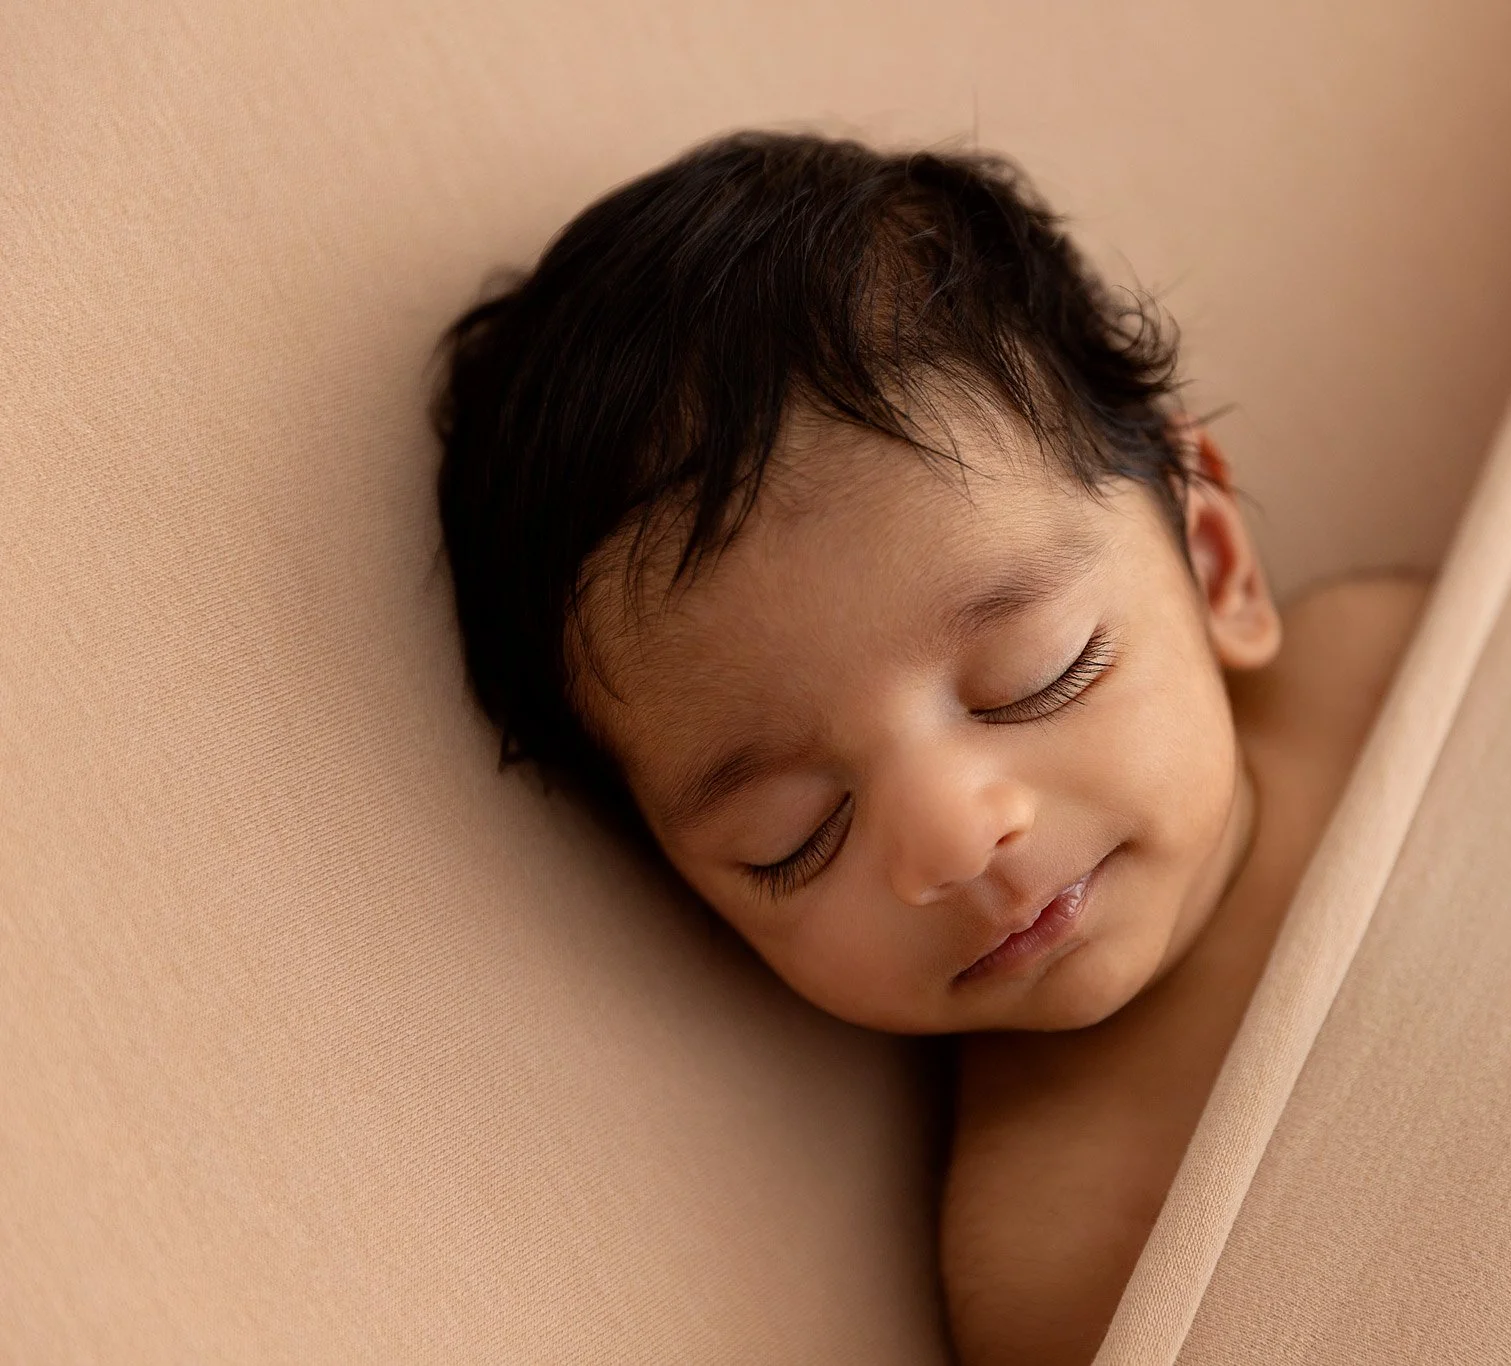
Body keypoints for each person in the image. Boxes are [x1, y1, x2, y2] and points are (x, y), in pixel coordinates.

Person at [435, 130, 1425, 1365]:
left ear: (1213, 557)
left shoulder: (1402, 659)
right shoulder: (1075, 1259)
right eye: (795, 838)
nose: (955, 836)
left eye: (1034, 674)